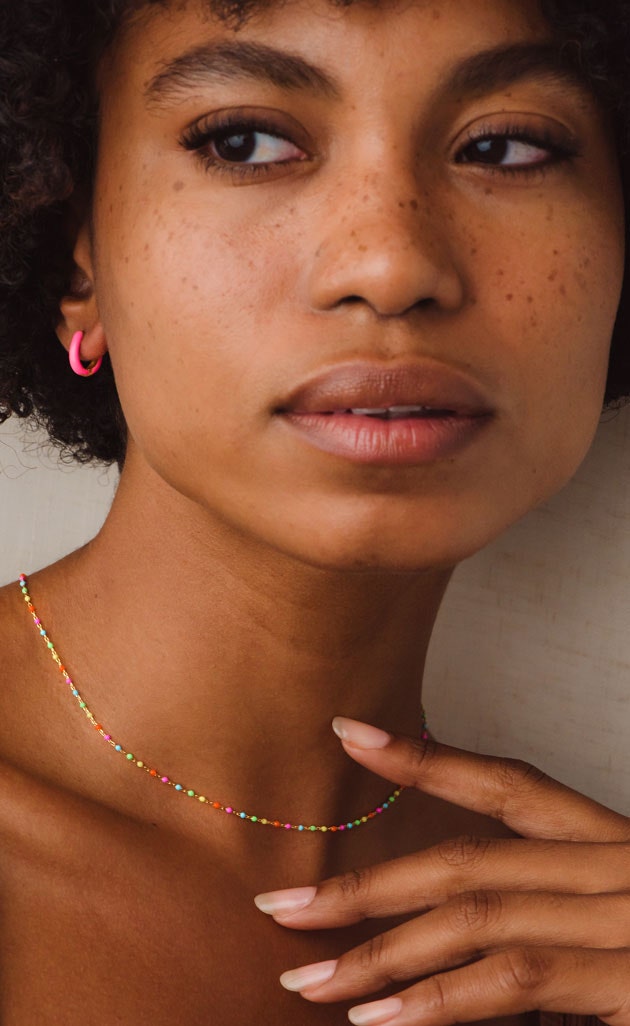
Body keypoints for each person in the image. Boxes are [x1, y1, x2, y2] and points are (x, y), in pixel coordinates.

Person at [0, 0, 629, 1023]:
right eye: (244, 141)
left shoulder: (578, 944)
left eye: (509, 147)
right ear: (76, 254)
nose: (390, 268)